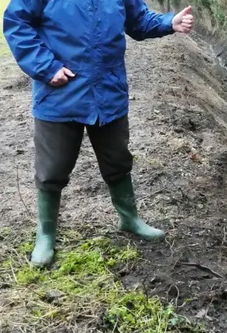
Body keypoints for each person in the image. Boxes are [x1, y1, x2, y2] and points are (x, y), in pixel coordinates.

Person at [3, 0, 194, 267]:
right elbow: (17, 23)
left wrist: (168, 23)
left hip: (108, 91)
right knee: (52, 169)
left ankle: (129, 219)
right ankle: (46, 234)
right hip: (60, 94)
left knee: (117, 160)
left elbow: (138, 20)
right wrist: (47, 67)